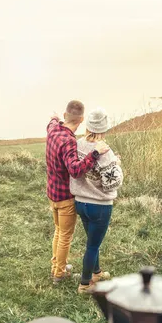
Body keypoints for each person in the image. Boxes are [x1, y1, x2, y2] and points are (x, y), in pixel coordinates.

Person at [46, 100, 109, 284]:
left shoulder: (53, 129)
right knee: (65, 236)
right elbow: (75, 169)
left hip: (52, 193)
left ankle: (57, 265)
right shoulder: (69, 141)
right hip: (65, 196)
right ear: (81, 120)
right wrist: (95, 153)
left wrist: (55, 118)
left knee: (58, 232)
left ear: (65, 116)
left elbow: (51, 121)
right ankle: (59, 273)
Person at [70, 108, 123, 294]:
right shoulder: (105, 151)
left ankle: (97, 273)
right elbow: (111, 184)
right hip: (99, 206)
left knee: (93, 241)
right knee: (93, 245)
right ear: (104, 129)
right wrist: (116, 164)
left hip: (80, 203)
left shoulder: (77, 144)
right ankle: (85, 284)